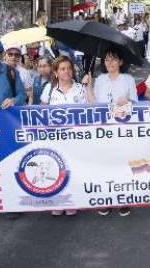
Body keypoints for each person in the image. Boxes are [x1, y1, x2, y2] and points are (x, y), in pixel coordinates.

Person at [41, 55, 93, 216]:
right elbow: (41, 111)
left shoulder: (80, 88)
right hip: (55, 138)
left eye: (69, 68)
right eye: (62, 69)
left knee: (72, 169)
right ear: (56, 72)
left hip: (76, 138)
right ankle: (57, 201)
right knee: (56, 169)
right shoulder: (49, 89)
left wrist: (89, 86)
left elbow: (93, 107)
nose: (66, 72)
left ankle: (71, 201)